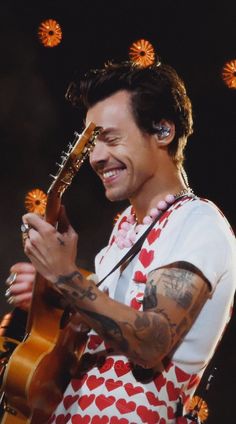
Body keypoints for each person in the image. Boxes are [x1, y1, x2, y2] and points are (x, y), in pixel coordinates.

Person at [5, 61, 236, 423]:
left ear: (162, 131)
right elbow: (103, 326)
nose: (95, 157)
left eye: (111, 138)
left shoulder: (199, 222)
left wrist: (66, 278)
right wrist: (51, 292)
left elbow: (151, 343)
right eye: (92, 143)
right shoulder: (125, 231)